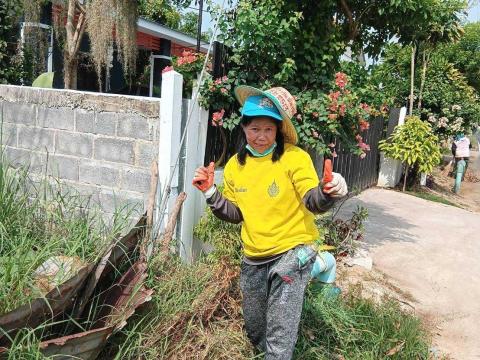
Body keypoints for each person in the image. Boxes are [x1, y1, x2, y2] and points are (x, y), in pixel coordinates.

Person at [192, 86, 348, 359]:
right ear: (244, 128)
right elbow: (235, 213)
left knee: (280, 323)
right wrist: (210, 192)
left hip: (294, 249)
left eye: (268, 129)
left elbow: (312, 200)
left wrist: (327, 192)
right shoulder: (234, 167)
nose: (261, 136)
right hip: (254, 254)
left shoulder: (294, 158)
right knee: (255, 326)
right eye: (254, 129)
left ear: (278, 130)